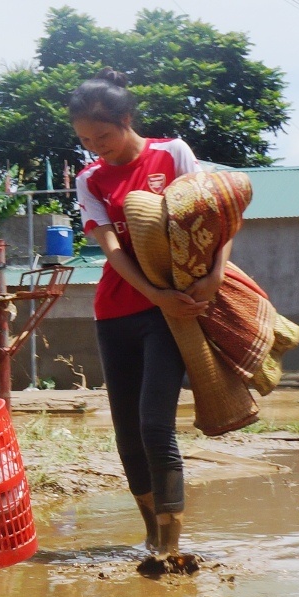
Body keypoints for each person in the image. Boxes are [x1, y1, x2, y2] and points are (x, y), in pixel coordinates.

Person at [71, 69, 232, 570]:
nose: (97, 148)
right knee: (126, 433)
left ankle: (171, 543)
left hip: (171, 313)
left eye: (103, 136)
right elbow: (111, 249)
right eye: (85, 140)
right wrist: (155, 294)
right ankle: (150, 532)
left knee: (154, 425)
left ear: (127, 120)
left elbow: (215, 216)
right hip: (117, 311)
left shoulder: (173, 154)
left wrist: (215, 275)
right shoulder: (89, 179)